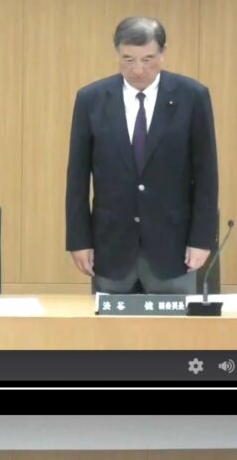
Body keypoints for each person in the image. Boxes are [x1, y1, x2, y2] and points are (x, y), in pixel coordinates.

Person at [66, 16, 219, 294]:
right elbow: (77, 177)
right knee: (110, 323)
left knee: (172, 323)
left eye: (148, 59)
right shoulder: (91, 99)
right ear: (117, 53)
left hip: (173, 248)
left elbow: (206, 175)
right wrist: (79, 240)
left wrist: (202, 239)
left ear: (163, 53)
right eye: (128, 59)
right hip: (110, 247)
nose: (138, 70)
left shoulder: (192, 97)